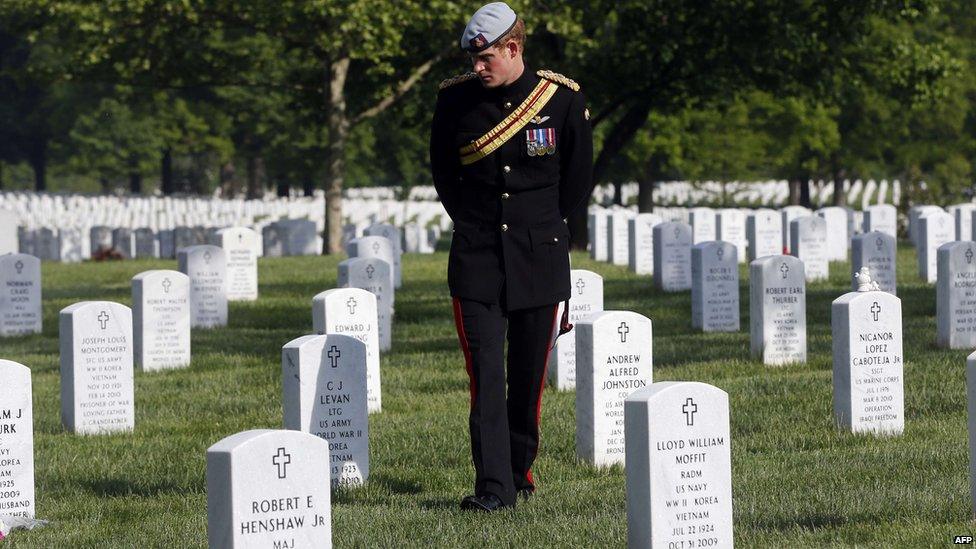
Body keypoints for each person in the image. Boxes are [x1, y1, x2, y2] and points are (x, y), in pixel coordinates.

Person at [429, 1, 594, 512]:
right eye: (473, 60)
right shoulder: (455, 102)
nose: (477, 68)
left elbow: (575, 183)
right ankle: (493, 488)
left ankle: (519, 473)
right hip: (477, 259)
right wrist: (479, 227)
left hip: (537, 258)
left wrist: (538, 232)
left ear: (513, 48)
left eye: (486, 59)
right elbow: (444, 176)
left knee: (525, 381)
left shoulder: (561, 100)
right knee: (486, 378)